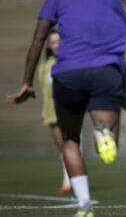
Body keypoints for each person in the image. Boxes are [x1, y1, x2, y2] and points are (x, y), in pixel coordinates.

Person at [7, 0, 126, 216]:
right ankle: (103, 131)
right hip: (106, 71)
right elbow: (121, 48)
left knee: (70, 139)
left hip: (69, 73)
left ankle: (85, 206)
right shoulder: (112, 0)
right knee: (108, 147)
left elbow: (38, 40)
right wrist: (124, 92)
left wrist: (26, 82)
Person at [38, 29, 72, 194]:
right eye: (53, 42)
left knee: (69, 145)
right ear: (48, 46)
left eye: (59, 41)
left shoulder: (70, 61)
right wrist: (44, 110)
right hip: (51, 112)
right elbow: (45, 90)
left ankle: (70, 180)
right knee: (62, 147)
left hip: (68, 110)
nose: (56, 45)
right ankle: (68, 179)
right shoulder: (44, 66)